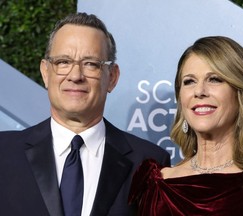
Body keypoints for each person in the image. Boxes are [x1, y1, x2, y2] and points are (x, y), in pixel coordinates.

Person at [0, 12, 170, 216]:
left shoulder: (149, 162)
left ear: (112, 77)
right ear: (45, 72)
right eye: (63, 62)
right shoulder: (4, 153)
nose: (75, 75)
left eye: (91, 64)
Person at [129, 36, 243, 215]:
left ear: (241, 92)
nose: (199, 91)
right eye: (189, 81)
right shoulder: (157, 184)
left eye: (214, 79)